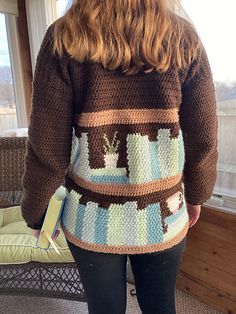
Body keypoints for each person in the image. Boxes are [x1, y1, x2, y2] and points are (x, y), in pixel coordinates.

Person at [20, 0, 218, 313]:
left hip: (90, 217)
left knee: (104, 308)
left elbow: (46, 145)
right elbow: (203, 137)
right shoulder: (183, 39)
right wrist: (197, 195)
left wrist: (37, 212)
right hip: (164, 213)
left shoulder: (64, 37)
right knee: (161, 306)